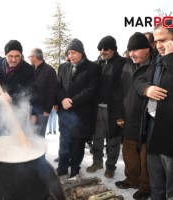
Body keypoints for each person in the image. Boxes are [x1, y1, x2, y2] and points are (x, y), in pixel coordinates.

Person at [135, 23, 173, 200]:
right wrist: (146, 89)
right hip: (152, 129)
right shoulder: (156, 59)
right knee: (156, 183)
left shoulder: (167, 59)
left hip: (169, 134)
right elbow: (138, 81)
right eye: (156, 41)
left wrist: (170, 60)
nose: (158, 45)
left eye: (163, 40)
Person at [56, 39, 101, 179]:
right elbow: (58, 87)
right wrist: (63, 99)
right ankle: (62, 168)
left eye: (74, 52)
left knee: (77, 145)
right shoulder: (63, 67)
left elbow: (90, 90)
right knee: (64, 143)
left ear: (81, 52)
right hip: (65, 113)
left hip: (82, 114)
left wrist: (73, 102)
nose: (71, 56)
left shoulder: (93, 68)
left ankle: (75, 170)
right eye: (69, 53)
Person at [115, 32, 151, 200]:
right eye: (130, 50)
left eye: (136, 50)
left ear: (147, 49)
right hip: (129, 116)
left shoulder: (156, 65)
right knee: (129, 152)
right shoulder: (127, 66)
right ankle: (131, 179)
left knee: (146, 157)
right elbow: (121, 92)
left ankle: (145, 187)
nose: (132, 54)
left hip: (147, 119)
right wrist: (120, 114)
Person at [86, 36, 126, 178]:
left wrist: (121, 113)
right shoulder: (96, 64)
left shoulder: (123, 64)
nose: (102, 51)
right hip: (97, 108)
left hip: (114, 109)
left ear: (113, 49)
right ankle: (97, 161)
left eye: (106, 48)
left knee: (113, 139)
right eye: (100, 48)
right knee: (97, 137)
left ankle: (110, 166)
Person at [0, 40, 34, 137]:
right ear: (5, 55)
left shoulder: (28, 69)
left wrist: (11, 98)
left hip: (17, 113)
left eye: (17, 56)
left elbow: (30, 93)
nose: (14, 60)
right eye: (10, 56)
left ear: (21, 55)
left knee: (16, 142)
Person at [28, 48, 58, 137]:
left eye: (29, 56)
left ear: (34, 57)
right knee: (30, 136)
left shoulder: (49, 70)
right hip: (30, 109)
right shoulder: (30, 70)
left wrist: (47, 110)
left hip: (42, 111)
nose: (29, 58)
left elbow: (52, 91)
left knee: (39, 137)